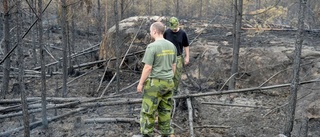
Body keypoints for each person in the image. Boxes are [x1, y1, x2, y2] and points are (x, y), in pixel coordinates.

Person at [136, 22, 177, 137]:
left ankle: (146, 134)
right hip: (169, 82)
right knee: (165, 110)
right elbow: (174, 65)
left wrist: (140, 83)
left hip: (155, 83)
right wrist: (170, 78)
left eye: (150, 32)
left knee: (148, 110)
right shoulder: (171, 46)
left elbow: (148, 67)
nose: (150, 33)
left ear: (154, 31)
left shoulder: (152, 46)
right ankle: (167, 133)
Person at [163, 17, 190, 103]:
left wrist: (187, 57)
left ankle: (174, 95)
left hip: (178, 57)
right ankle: (166, 94)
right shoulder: (166, 32)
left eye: (175, 28)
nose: (174, 30)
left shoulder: (182, 33)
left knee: (176, 77)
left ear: (178, 24)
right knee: (167, 76)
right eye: (172, 28)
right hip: (167, 57)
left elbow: (186, 45)